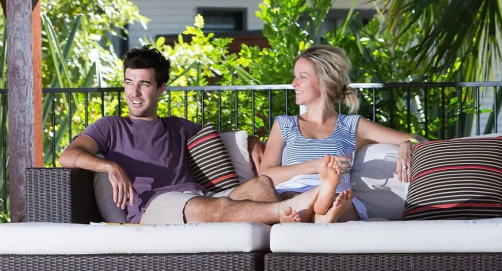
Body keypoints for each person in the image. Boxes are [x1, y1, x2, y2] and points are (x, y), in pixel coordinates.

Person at [58, 46, 346, 225]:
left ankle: (306, 218)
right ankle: (292, 208)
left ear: (160, 89)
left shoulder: (178, 127)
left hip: (199, 196)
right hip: (154, 206)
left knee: (261, 185)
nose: (134, 92)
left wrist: (252, 142)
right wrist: (110, 166)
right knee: (214, 207)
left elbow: (222, 137)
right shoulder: (110, 126)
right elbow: (68, 156)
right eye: (128, 83)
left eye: (144, 84)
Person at [259, 45, 422, 221]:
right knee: (292, 200)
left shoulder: (352, 125)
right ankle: (320, 215)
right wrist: (317, 166)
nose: (293, 83)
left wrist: (407, 144)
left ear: (324, 80)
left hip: (337, 196)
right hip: (292, 197)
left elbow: (417, 138)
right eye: (295, 76)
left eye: (302, 77)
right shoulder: (284, 125)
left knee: (338, 202)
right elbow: (266, 175)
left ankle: (321, 212)